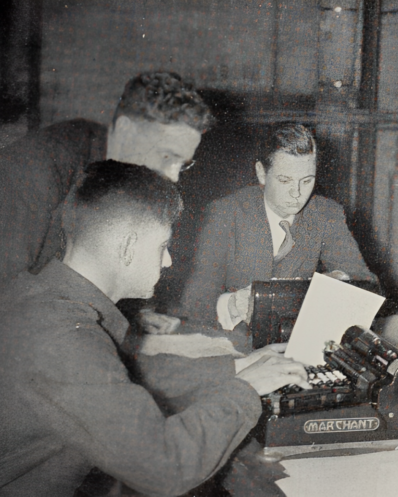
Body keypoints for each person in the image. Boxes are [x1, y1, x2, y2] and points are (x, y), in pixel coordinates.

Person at [0, 161, 309, 496]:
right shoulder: (63, 336)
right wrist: (247, 388)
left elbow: (123, 377)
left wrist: (238, 367)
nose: (168, 262)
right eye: (163, 246)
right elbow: (166, 467)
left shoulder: (35, 298)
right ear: (128, 247)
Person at [0, 71, 211, 285]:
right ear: (126, 131)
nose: (173, 176)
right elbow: (9, 287)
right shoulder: (40, 165)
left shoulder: (125, 177)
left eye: (183, 164)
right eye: (167, 156)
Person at [177, 123, 376, 349]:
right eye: (285, 180)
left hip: (300, 345)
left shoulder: (326, 214)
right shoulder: (226, 213)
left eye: (307, 180)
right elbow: (193, 301)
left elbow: (367, 283)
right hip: (233, 345)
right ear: (261, 172)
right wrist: (232, 305)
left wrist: (339, 279)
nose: (297, 193)